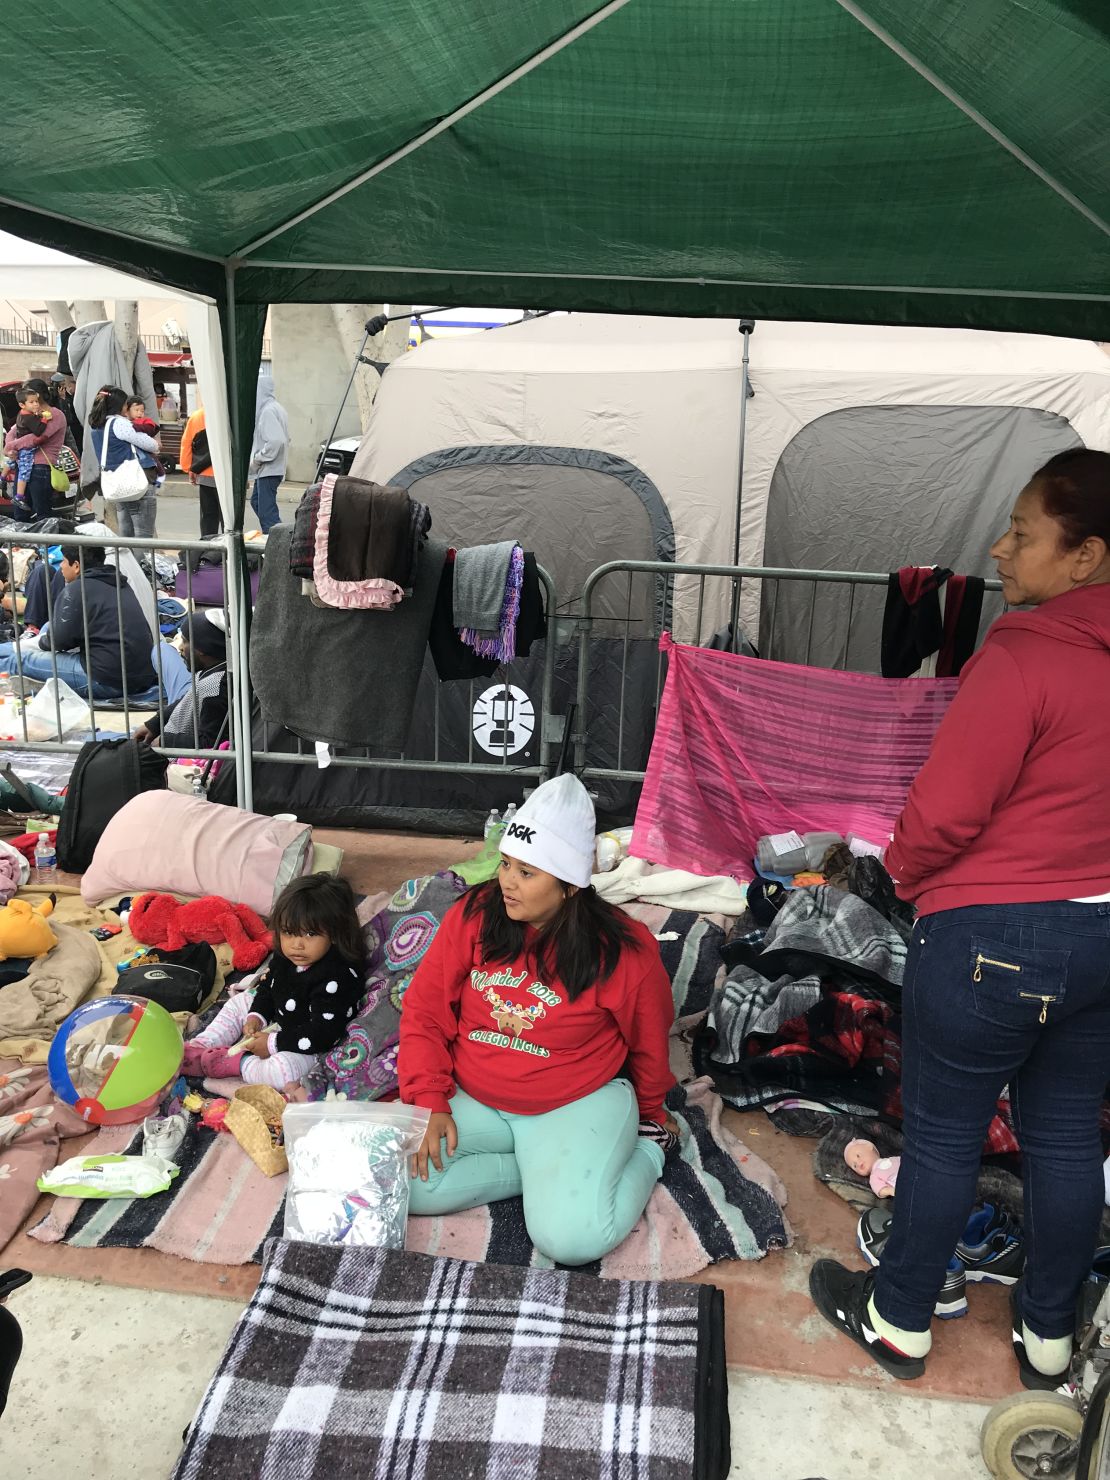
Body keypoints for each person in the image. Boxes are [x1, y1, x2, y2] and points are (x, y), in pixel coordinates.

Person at [810, 448, 1110, 1389]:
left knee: (942, 1138)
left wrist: (896, 872)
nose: (999, 546)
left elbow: (944, 813)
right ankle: (1050, 1333)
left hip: (991, 939)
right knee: (1067, 1138)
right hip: (1104, 942)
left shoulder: (1024, 654)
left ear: (1086, 556)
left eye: (1023, 531)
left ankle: (900, 1319)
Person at [397, 772, 679, 1267]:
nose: (507, 881)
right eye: (506, 864)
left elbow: (650, 1040)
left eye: (528, 873)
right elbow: (425, 1010)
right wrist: (429, 1101)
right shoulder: (474, 915)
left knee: (570, 1241)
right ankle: (541, 1172)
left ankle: (650, 1150)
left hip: (572, 1102)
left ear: (570, 885)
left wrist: (654, 1112)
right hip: (475, 1096)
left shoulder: (624, 952)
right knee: (398, 1182)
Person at [180, 874, 365, 1088]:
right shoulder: (286, 956)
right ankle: (202, 1045)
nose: (297, 944)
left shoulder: (337, 977)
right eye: (288, 932)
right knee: (240, 1003)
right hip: (283, 1020)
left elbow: (324, 1033)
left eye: (310, 934)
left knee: (283, 1071)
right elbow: (269, 988)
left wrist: (273, 1043)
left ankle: (235, 1064)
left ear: (335, 933)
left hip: (312, 1045)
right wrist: (257, 1016)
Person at [0, 543, 157, 700]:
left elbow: (58, 641)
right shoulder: (118, 583)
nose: (60, 566)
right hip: (139, 676)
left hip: (106, 680)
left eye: (63, 560)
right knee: (46, 628)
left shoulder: (78, 589)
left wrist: (22, 647)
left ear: (76, 565)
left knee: (16, 660)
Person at [134, 610, 228, 751]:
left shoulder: (215, 691)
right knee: (162, 649)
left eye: (185, 641)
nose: (180, 647)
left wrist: (166, 741)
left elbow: (210, 743)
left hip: (178, 748)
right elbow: (184, 700)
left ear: (202, 648)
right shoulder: (213, 666)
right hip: (184, 711)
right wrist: (154, 724)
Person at [87, 387, 160, 538]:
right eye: (126, 404)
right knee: (143, 533)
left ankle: (128, 561)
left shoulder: (96, 426)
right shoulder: (119, 423)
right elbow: (150, 444)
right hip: (135, 481)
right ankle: (141, 562)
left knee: (126, 532)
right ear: (120, 405)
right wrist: (155, 444)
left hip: (118, 483)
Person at [2, 381, 66, 520]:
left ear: (38, 396)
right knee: (20, 512)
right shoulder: (27, 413)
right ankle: (23, 542)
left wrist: (11, 446)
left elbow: (37, 438)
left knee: (42, 511)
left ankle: (44, 541)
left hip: (40, 467)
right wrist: (9, 450)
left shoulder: (55, 414)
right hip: (23, 464)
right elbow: (13, 432)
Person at [247, 377, 289, 534]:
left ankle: (277, 542)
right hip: (271, 469)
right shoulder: (277, 408)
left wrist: (259, 458)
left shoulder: (267, 411)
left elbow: (276, 441)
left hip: (269, 468)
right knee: (257, 502)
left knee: (266, 512)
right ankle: (278, 535)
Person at [8, 386, 52, 511]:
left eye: (36, 401)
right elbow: (38, 431)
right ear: (22, 405)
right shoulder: (29, 418)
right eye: (31, 402)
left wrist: (37, 415)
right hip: (27, 449)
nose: (36, 404)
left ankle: (2, 479)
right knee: (24, 471)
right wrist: (44, 419)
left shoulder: (23, 414)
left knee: (11, 461)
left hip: (20, 446)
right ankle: (19, 496)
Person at [180, 406, 221, 538]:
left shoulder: (197, 416)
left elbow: (186, 442)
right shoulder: (229, 414)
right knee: (230, 521)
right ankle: (230, 553)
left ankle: (208, 552)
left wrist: (188, 467)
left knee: (208, 518)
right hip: (228, 477)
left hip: (205, 475)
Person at [123, 396, 166, 484]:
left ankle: (161, 475)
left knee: (154, 460)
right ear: (127, 411)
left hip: (146, 451)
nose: (139, 413)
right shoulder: (123, 422)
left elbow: (150, 428)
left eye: (142, 411)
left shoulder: (144, 421)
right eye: (136, 410)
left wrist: (134, 427)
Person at [51, 371, 83, 454]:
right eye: (62, 384)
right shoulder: (53, 398)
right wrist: (62, 399)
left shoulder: (68, 396)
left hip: (74, 426)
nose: (64, 386)